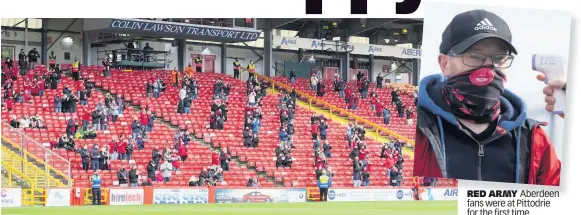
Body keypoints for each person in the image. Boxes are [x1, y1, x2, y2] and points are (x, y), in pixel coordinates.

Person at [413, 9, 560, 185]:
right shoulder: (418, 128)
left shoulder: (534, 139)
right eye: (474, 57)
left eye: (499, 58)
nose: (489, 69)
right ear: (445, 64)